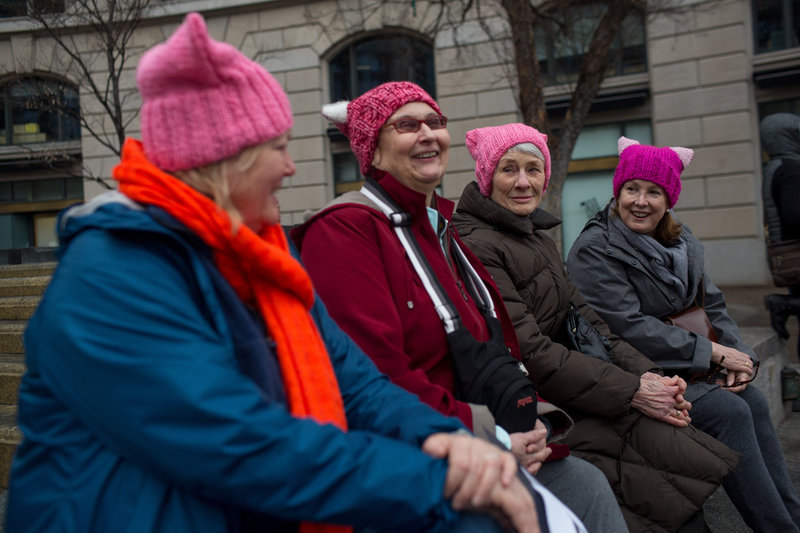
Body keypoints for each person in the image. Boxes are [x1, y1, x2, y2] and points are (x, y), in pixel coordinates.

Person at [5, 14, 551, 533]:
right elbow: (238, 445)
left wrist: (450, 439)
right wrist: (441, 479)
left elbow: (356, 384)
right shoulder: (112, 277)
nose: (291, 168)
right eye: (279, 148)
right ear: (227, 158)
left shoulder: (261, 257)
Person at [292, 82, 621, 532]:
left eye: (435, 123)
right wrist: (495, 437)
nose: (428, 134)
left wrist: (534, 417)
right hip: (423, 457)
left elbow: (495, 349)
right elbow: (376, 379)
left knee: (590, 483)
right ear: (373, 148)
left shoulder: (440, 226)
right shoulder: (345, 232)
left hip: (496, 432)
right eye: (407, 125)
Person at [451, 123, 741, 533]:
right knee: (662, 462)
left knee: (675, 458)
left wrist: (651, 377)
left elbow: (588, 318)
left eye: (533, 170)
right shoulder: (476, 243)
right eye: (508, 170)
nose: (522, 182)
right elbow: (529, 350)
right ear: (486, 176)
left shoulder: (533, 234)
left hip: (580, 382)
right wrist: (634, 392)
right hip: (542, 401)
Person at [567, 135, 800, 532]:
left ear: (668, 198)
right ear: (618, 191)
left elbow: (713, 306)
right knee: (729, 412)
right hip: (641, 370)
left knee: (755, 403)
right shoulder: (594, 248)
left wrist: (742, 357)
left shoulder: (682, 241)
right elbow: (628, 326)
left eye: (653, 192)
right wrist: (713, 353)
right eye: (631, 189)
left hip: (692, 361)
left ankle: (790, 519)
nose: (640, 201)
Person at [760, 113, 800, 348]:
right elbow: (795, 215)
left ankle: (786, 304)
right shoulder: (791, 169)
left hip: (791, 253)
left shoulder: (777, 166)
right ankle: (784, 305)